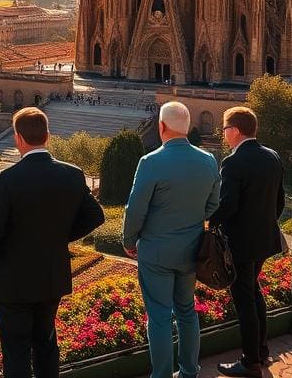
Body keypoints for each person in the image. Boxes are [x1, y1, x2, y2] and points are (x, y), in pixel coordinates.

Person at [0, 107, 105, 378]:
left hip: (12, 281)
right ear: (47, 135)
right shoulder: (72, 174)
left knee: (16, 352)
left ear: (18, 138)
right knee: (46, 346)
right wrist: (59, 237)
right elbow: (96, 215)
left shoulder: (5, 180)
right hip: (50, 278)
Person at [123, 101, 221, 378]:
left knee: (159, 317)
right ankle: (190, 371)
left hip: (155, 252)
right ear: (189, 127)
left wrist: (129, 240)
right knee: (187, 312)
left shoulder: (151, 162)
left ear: (161, 126)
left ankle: (162, 374)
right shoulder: (208, 160)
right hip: (192, 249)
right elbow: (213, 204)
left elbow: (135, 208)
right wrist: (191, 218)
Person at [209, 106, 285, 377]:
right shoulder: (272, 156)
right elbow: (280, 203)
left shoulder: (233, 162)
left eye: (225, 128)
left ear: (236, 130)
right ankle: (262, 352)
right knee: (254, 293)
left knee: (244, 301)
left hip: (240, 244)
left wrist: (209, 222)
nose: (223, 133)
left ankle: (250, 361)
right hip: (264, 240)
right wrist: (262, 225)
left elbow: (228, 205)